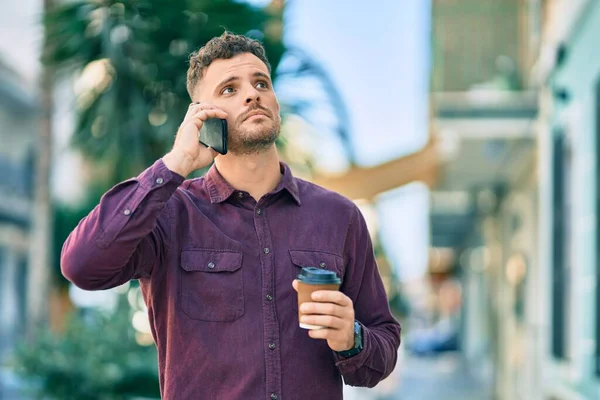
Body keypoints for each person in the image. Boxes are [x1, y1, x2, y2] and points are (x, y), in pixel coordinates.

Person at [61, 31, 401, 400]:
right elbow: (82, 266)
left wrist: (351, 337)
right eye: (229, 90)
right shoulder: (170, 214)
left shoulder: (340, 216)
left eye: (261, 83)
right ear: (204, 119)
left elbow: (381, 352)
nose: (252, 94)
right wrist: (175, 163)